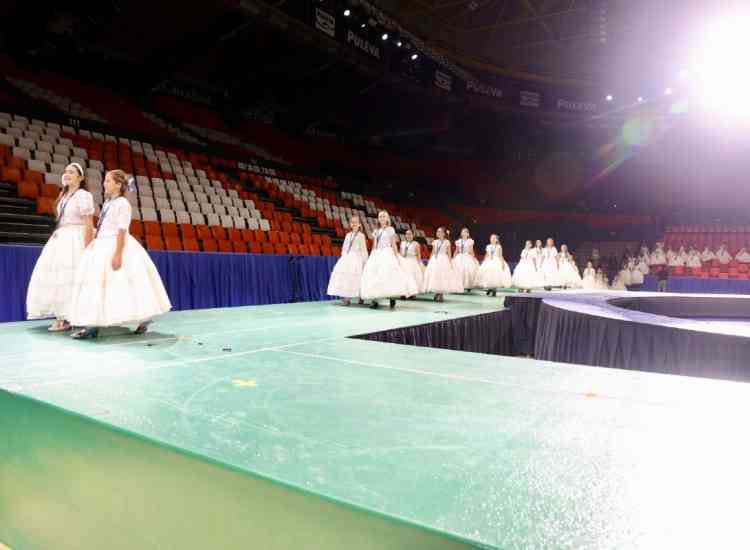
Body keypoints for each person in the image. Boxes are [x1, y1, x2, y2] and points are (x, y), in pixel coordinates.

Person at [69, 170, 171, 338]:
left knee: (128, 286)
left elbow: (122, 231)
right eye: (105, 180)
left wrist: (118, 254)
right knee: (96, 287)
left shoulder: (122, 203)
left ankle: (142, 318)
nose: (104, 184)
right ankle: (93, 324)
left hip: (115, 244)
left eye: (108, 181)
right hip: (101, 243)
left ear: (118, 184)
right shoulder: (109, 203)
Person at [26, 163, 95, 331]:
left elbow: (88, 223)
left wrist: (88, 247)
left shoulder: (83, 195)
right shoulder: (63, 196)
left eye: (71, 172)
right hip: (62, 238)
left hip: (77, 238)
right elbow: (63, 219)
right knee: (59, 277)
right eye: (65, 172)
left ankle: (78, 316)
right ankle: (63, 317)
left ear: (81, 177)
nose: (67, 174)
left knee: (76, 276)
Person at [360, 210, 417, 309]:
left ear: (387, 219)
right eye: (380, 216)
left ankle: (391, 296)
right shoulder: (376, 231)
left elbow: (393, 244)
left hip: (387, 253)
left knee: (388, 275)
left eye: (384, 216)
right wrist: (371, 256)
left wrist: (396, 256)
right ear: (378, 218)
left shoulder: (390, 229)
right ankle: (375, 299)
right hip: (377, 254)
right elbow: (374, 245)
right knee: (374, 276)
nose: (382, 218)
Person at [327, 215, 368, 305]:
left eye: (356, 222)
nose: (354, 224)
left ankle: (361, 296)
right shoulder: (348, 235)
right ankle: (346, 298)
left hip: (357, 258)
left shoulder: (361, 235)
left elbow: (364, 249)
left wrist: (365, 260)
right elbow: (344, 247)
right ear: (350, 224)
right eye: (352, 222)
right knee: (345, 277)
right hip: (347, 257)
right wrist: (344, 256)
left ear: (359, 224)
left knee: (358, 277)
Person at [423, 227, 463, 302]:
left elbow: (449, 253)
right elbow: (433, 252)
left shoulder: (447, 242)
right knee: (435, 275)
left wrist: (450, 262)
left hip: (443, 259)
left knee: (442, 276)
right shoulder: (435, 241)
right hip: (435, 259)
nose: (438, 233)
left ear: (444, 234)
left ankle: (441, 293)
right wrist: (430, 260)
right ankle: (436, 292)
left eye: (440, 231)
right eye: (437, 231)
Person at [398, 229, 425, 298]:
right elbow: (400, 253)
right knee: (404, 277)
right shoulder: (402, 243)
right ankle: (403, 292)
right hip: (404, 261)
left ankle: (412, 293)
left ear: (413, 235)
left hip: (412, 261)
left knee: (412, 277)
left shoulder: (416, 244)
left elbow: (418, 255)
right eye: (407, 234)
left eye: (410, 234)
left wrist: (419, 264)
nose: (408, 235)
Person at [452, 227, 479, 292]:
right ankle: (459, 285)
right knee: (458, 270)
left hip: (467, 256)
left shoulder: (470, 241)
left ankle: (467, 285)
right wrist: (453, 257)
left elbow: (472, 251)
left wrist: (473, 258)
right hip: (459, 256)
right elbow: (456, 250)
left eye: (465, 232)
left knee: (467, 270)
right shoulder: (458, 241)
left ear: (468, 234)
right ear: (461, 233)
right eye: (463, 232)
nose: (464, 233)